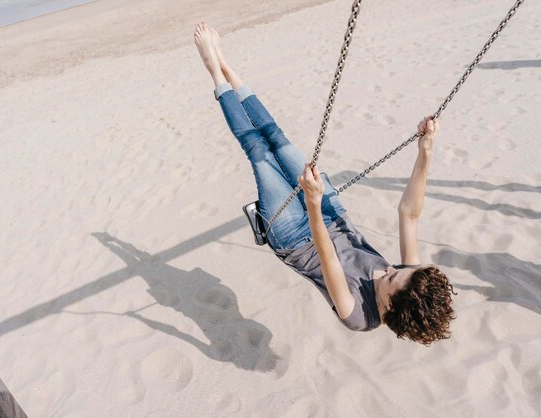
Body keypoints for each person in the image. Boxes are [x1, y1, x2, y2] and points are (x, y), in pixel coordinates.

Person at [194, 21, 457, 345]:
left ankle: (213, 71)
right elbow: (408, 214)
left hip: (295, 238)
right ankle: (225, 64)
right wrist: (425, 152)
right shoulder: (409, 280)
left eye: (390, 277)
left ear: (389, 307)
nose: (392, 269)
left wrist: (312, 202)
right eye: (398, 269)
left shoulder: (358, 315)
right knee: (277, 138)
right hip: (333, 213)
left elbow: (327, 254)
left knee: (259, 151)